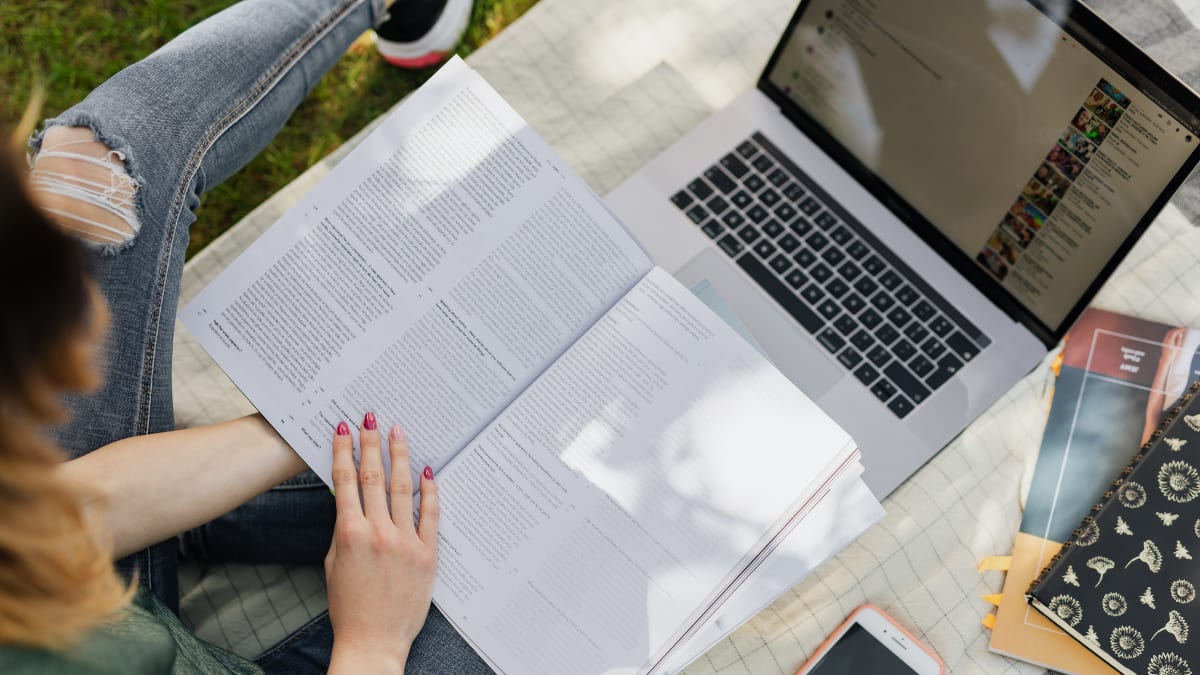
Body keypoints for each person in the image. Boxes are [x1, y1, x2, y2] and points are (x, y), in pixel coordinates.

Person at [0, 0, 492, 672]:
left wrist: (305, 417)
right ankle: (226, 521)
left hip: (86, 605)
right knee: (527, 546)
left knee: (89, 176)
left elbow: (52, 517)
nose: (86, 375)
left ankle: (208, 520)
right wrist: (371, 642)